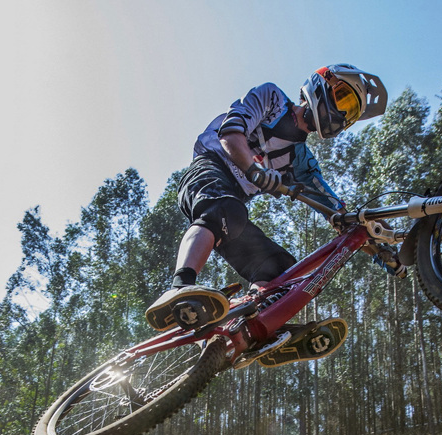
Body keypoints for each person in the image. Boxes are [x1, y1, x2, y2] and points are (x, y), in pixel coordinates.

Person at [145, 64, 396, 367]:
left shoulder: (301, 160)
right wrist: (255, 170)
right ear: (320, 84)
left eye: (350, 113)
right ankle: (180, 287)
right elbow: (230, 134)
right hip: (208, 172)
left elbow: (339, 214)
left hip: (233, 209)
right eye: (343, 99)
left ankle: (254, 333)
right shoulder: (272, 98)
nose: (342, 115)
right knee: (226, 210)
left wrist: (381, 248)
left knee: (282, 271)